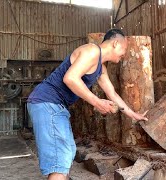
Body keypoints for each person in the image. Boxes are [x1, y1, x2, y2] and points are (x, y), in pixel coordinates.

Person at [27, 28, 148, 179]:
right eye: (124, 48)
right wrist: (96, 102)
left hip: (54, 105)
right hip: (47, 102)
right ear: (115, 43)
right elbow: (70, 78)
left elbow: (112, 93)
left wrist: (132, 114)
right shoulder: (91, 51)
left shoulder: (100, 67)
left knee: (67, 152)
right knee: (60, 157)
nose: (124, 53)